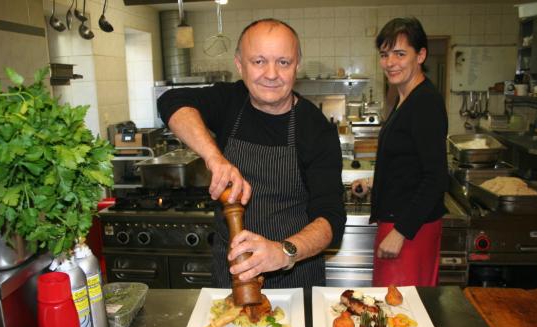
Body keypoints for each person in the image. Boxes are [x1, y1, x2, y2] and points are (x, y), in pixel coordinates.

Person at [158, 19, 345, 289]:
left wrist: (283, 252)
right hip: (231, 276)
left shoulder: (316, 129)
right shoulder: (230, 101)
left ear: (297, 65)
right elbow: (170, 101)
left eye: (283, 62)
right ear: (239, 64)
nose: (271, 74)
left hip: (294, 280)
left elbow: (331, 219)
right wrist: (215, 157)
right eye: (258, 61)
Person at [351, 17, 448, 287]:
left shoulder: (425, 102)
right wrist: (373, 184)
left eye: (400, 53)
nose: (390, 62)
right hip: (399, 224)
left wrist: (400, 232)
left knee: (401, 316)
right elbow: (409, 163)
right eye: (384, 54)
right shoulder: (405, 98)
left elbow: (435, 177)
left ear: (421, 55)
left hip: (410, 230)